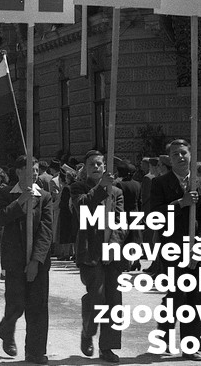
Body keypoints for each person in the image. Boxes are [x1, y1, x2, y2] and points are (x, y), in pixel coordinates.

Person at [150, 139, 201, 362]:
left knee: (196, 297)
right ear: (170, 159)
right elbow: (153, 217)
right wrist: (180, 203)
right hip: (172, 249)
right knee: (176, 297)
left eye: (184, 153)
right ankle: (163, 336)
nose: (180, 157)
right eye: (175, 154)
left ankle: (191, 346)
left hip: (196, 250)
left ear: (191, 155)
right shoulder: (160, 183)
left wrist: (200, 245)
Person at [0, 155, 53, 365]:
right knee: (16, 304)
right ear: (18, 172)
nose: (35, 173)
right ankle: (7, 329)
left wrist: (36, 261)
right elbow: (0, 218)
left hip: (37, 262)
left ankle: (36, 352)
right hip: (14, 260)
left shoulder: (45, 196)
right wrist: (20, 201)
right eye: (30, 170)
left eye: (36, 170)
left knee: (37, 307)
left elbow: (46, 231)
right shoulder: (4, 193)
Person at [70, 150, 125, 364]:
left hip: (112, 254)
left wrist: (114, 245)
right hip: (90, 251)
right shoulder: (78, 188)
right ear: (85, 167)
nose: (96, 167)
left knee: (113, 301)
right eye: (92, 163)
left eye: (99, 164)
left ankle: (108, 348)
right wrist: (101, 187)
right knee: (97, 296)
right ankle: (88, 329)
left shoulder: (117, 192)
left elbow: (121, 222)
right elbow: (83, 208)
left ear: (105, 167)